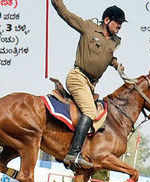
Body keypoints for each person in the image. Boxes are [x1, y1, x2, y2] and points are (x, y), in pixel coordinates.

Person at [51, 0, 127, 169]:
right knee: (90, 112)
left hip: (91, 85)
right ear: (107, 20)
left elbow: (106, 55)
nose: (120, 26)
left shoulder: (115, 42)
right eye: (118, 22)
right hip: (78, 78)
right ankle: (73, 154)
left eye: (122, 24)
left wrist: (116, 64)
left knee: (98, 117)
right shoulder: (88, 27)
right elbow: (66, 14)